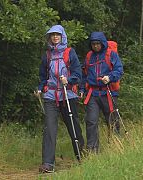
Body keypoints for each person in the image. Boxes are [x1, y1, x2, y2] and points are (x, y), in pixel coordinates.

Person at [35, 25, 84, 173]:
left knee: (73, 126)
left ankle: (82, 156)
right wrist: (39, 87)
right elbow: (43, 76)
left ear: (62, 36)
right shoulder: (47, 55)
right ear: (49, 38)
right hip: (50, 96)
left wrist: (69, 80)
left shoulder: (70, 52)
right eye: (52, 35)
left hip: (67, 95)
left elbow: (78, 74)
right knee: (49, 129)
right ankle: (48, 164)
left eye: (57, 35)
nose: (55, 37)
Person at [80, 32, 124, 153]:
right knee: (91, 121)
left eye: (98, 44)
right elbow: (84, 74)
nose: (95, 46)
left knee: (112, 120)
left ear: (102, 43)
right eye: (93, 44)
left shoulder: (111, 55)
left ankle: (116, 146)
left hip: (108, 92)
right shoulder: (89, 56)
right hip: (93, 93)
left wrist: (109, 77)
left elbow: (119, 70)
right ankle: (92, 150)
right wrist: (82, 89)